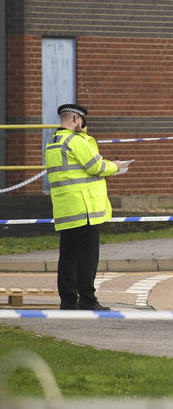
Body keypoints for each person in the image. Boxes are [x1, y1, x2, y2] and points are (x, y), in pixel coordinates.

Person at [44, 103, 132, 311]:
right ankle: (87, 300)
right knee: (87, 258)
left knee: (68, 257)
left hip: (65, 209)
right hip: (85, 209)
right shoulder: (75, 141)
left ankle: (67, 300)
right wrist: (116, 166)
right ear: (76, 119)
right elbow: (97, 166)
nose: (84, 128)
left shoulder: (52, 143)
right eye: (83, 123)